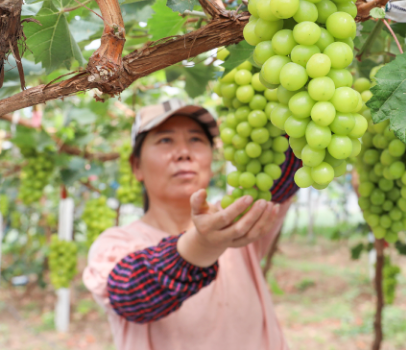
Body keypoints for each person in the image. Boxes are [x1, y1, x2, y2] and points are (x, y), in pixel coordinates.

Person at [83, 99, 301, 350]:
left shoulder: (238, 217)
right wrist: (200, 246)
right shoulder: (115, 243)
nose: (184, 152)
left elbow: (283, 165)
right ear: (136, 166)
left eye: (196, 140)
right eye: (165, 140)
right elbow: (130, 295)